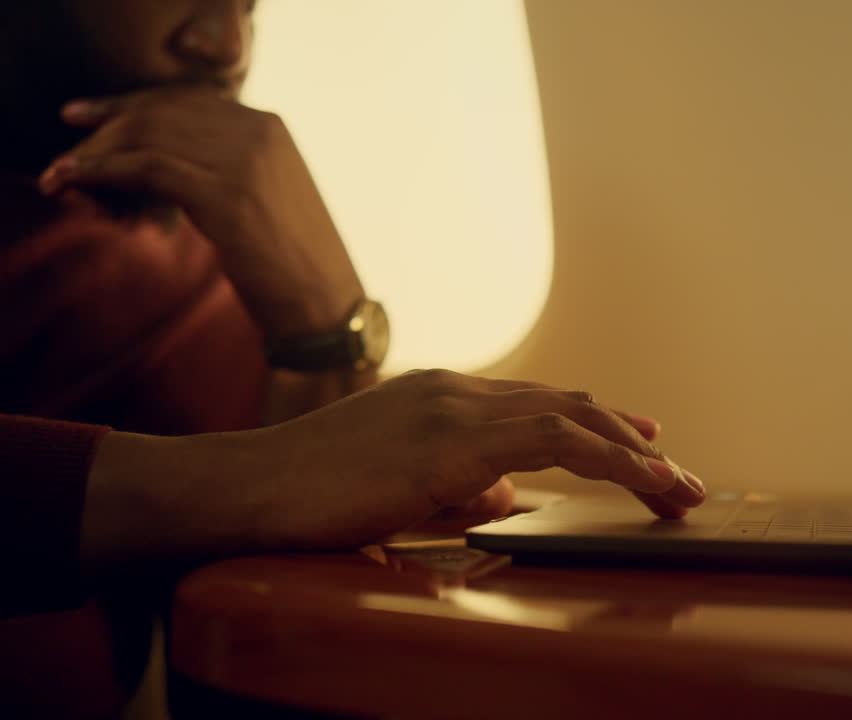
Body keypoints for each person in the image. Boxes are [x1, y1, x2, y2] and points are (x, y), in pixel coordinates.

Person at [0, 0, 705, 621]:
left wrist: (323, 321)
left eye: (252, 3)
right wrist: (253, 477)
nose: (227, 44)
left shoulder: (193, 254)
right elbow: (267, 484)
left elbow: (281, 588)